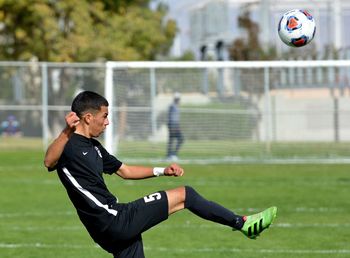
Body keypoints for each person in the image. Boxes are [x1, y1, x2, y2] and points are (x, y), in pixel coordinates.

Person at [44, 91, 277, 258]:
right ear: (88, 117)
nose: (108, 122)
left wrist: (161, 171)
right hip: (113, 219)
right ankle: (243, 223)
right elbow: (49, 161)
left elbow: (124, 171)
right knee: (185, 194)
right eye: (104, 116)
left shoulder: (94, 147)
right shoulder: (69, 145)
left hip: (108, 229)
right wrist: (66, 131)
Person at [166, 92, 184, 161]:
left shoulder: (175, 106)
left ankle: (170, 155)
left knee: (172, 140)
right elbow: (172, 118)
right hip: (173, 125)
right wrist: (174, 127)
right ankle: (172, 155)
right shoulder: (172, 106)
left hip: (174, 125)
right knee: (180, 139)